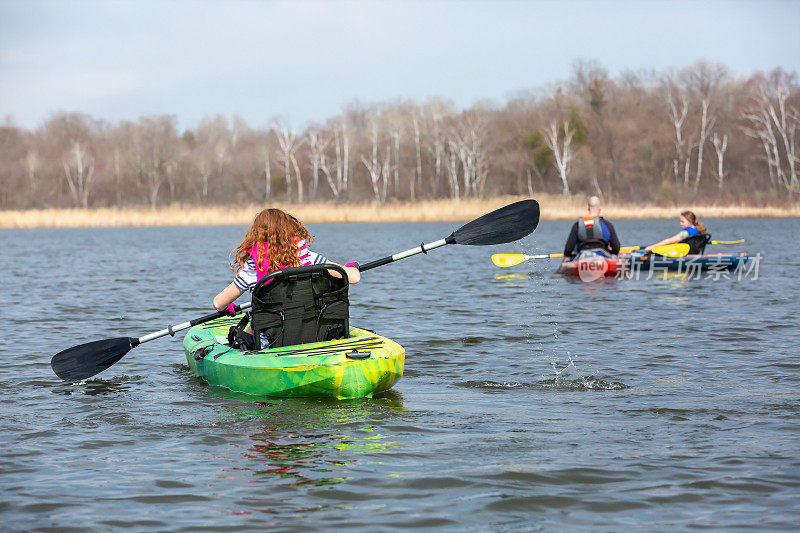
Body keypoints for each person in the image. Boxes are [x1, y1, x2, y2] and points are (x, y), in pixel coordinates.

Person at [212, 207, 360, 320]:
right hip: (311, 332)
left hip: (271, 340)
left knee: (245, 331)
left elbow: (218, 303)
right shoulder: (306, 257)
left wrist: (228, 309)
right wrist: (352, 267)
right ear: (288, 231)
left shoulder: (253, 268)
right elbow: (354, 278)